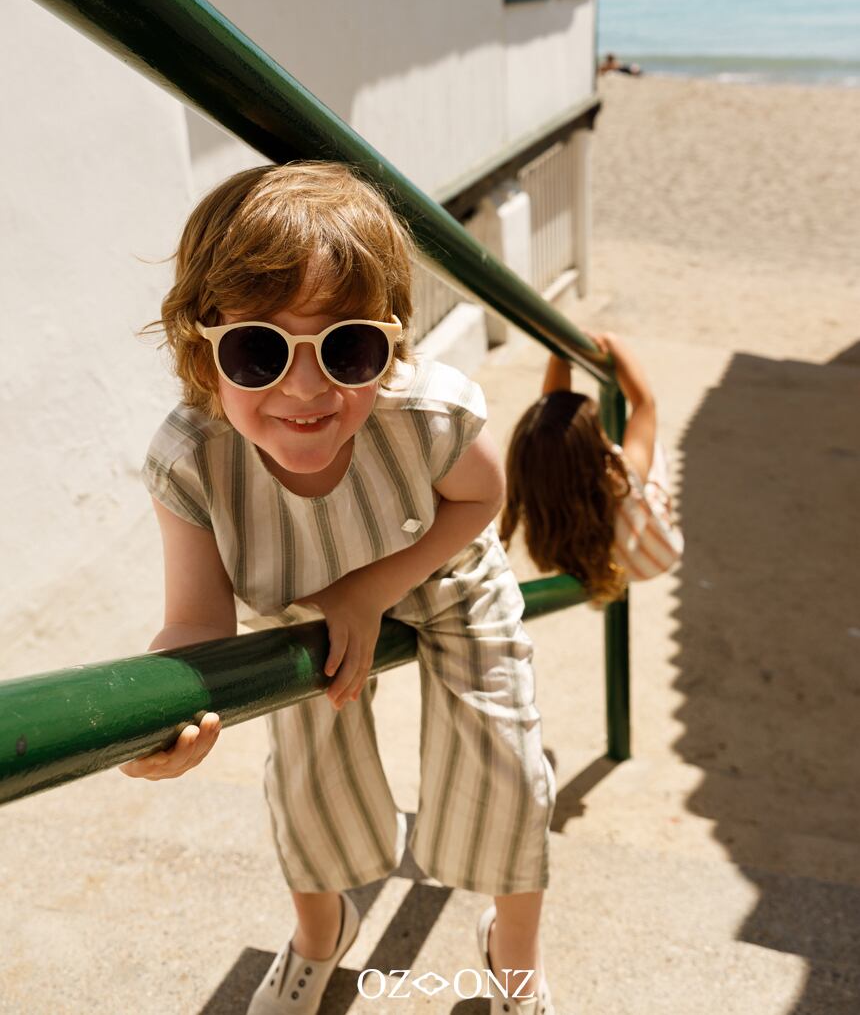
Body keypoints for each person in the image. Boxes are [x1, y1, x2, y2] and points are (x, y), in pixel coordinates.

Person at [122, 161, 556, 1015]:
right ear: (202, 350)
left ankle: (515, 957)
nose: (307, 387)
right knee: (308, 783)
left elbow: (481, 499)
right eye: (258, 350)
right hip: (301, 609)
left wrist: (371, 588)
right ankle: (322, 932)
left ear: (390, 344)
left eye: (347, 346)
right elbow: (196, 625)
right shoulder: (193, 461)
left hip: (442, 576)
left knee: (507, 764)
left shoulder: (424, 415)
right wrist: (150, 713)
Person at [501, 334, 683, 608]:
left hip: (594, 554)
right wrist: (614, 345)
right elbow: (644, 405)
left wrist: (560, 356)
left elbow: (552, 439)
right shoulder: (619, 484)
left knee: (554, 463)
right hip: (651, 554)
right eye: (598, 429)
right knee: (649, 452)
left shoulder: (539, 489)